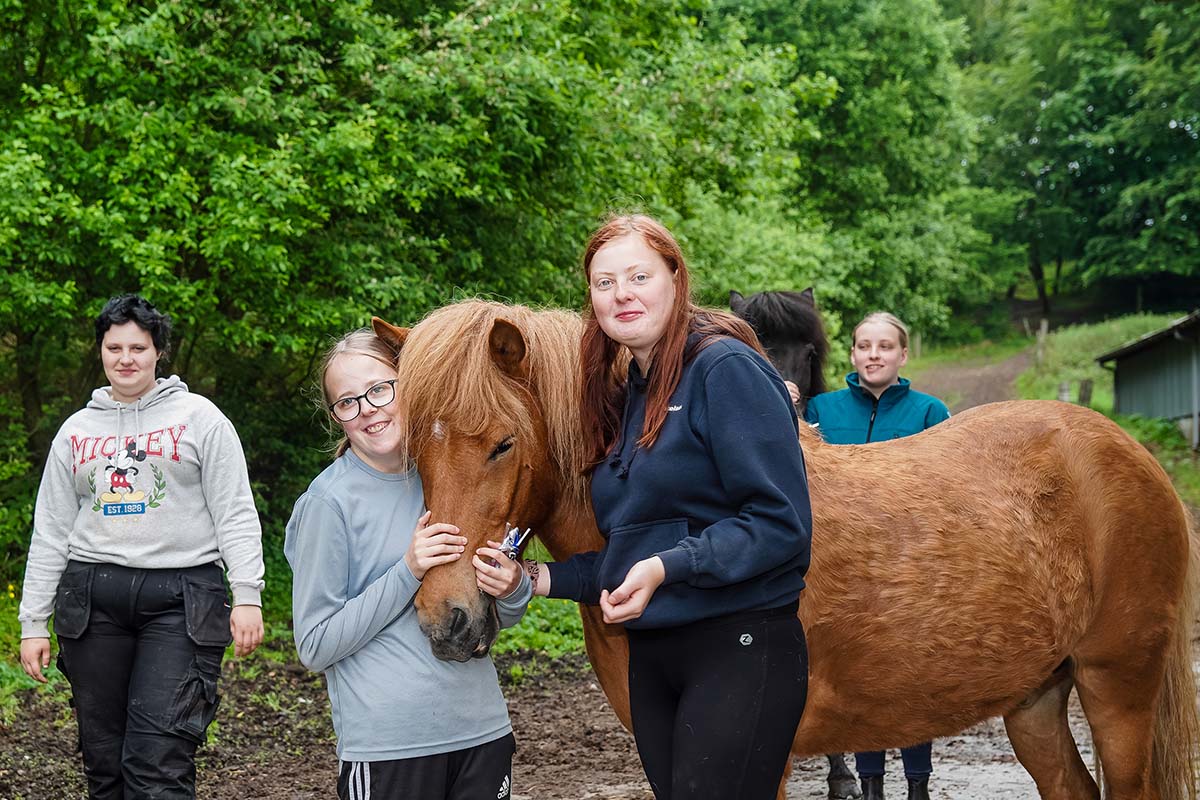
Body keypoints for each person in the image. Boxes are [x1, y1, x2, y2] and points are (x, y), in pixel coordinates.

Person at [522, 214, 813, 799]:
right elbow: (635, 546)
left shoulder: (723, 369)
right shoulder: (627, 392)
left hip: (738, 644)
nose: (621, 294)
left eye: (638, 275)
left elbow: (782, 525)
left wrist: (666, 568)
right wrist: (533, 577)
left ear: (676, 279)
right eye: (604, 283)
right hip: (656, 656)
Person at [18, 293, 265, 799]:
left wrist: (247, 595)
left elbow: (235, 511)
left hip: (181, 600)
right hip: (93, 602)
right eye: (114, 348)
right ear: (101, 352)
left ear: (158, 353)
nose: (125, 358)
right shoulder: (75, 431)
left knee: (157, 762)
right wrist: (32, 622)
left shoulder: (201, 419)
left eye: (138, 347)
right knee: (104, 761)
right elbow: (50, 531)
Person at [284, 329, 532, 800]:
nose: (368, 409)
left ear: (410, 385)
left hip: (482, 733)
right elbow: (314, 646)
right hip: (388, 750)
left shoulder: (448, 474)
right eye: (347, 401)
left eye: (380, 389)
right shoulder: (328, 503)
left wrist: (514, 586)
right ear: (335, 416)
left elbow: (498, 616)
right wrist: (407, 571)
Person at [803, 311, 950, 800]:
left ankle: (918, 786)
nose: (873, 355)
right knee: (858, 682)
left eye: (885, 347)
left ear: (903, 355)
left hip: (911, 570)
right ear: (851, 354)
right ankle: (870, 787)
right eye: (864, 346)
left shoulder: (931, 413)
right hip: (845, 571)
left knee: (910, 680)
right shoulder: (821, 409)